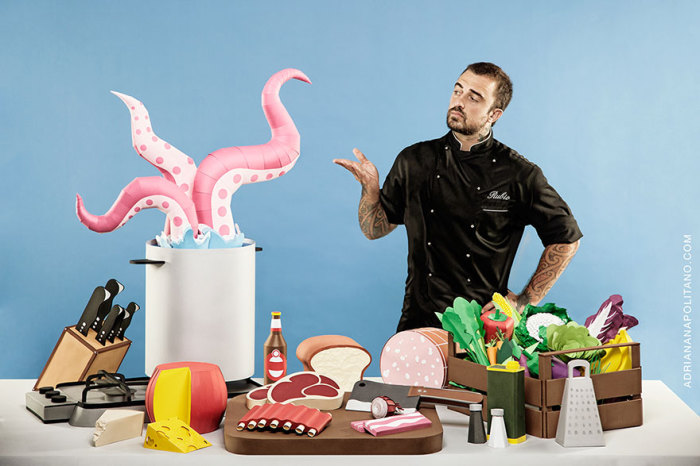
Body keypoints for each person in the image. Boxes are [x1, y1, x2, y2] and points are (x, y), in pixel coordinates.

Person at [334, 62, 582, 332]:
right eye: (457, 91)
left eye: (474, 98)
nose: (459, 102)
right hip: (416, 325)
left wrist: (523, 301)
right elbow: (374, 229)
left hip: (483, 330)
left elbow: (566, 238)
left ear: (494, 114)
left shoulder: (519, 174)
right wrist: (370, 189)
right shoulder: (413, 160)